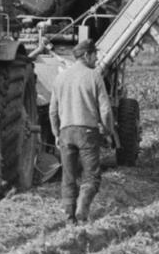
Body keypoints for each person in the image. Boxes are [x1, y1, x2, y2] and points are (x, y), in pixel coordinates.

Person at [49, 39, 115, 225]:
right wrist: (108, 130)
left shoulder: (60, 77)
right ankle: (82, 209)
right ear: (87, 55)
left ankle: (69, 218)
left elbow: (53, 110)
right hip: (87, 132)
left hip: (65, 132)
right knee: (91, 176)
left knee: (68, 177)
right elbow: (106, 109)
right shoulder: (93, 76)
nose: (96, 59)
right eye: (95, 55)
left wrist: (56, 133)